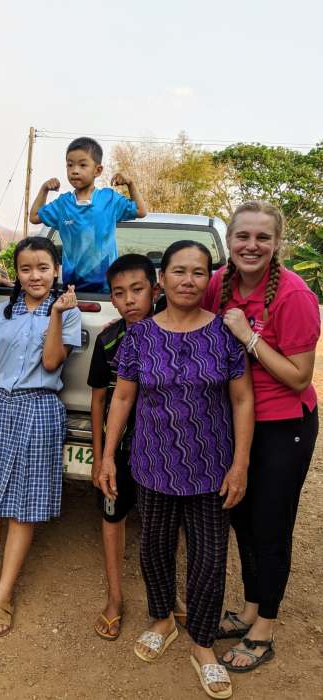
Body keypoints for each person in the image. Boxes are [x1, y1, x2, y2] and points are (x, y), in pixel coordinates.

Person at [99, 241, 254, 699]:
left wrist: (240, 464)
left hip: (212, 465)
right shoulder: (140, 336)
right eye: (179, 271)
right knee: (155, 549)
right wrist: (107, 456)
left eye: (198, 272)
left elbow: (242, 400)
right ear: (162, 279)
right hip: (152, 462)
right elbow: (122, 397)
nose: (188, 280)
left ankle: (203, 645)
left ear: (209, 279)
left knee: (209, 556)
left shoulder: (225, 333)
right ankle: (162, 619)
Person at [202, 201, 320, 673]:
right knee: (243, 520)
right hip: (235, 418)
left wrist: (249, 338)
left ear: (276, 243)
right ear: (229, 240)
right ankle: (250, 609)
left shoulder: (294, 296)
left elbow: (298, 377)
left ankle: (264, 627)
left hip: (283, 424)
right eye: (243, 236)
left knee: (271, 526)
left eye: (262, 238)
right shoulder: (218, 283)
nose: (252, 246)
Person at [0, 236, 81, 638]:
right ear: (17, 272)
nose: (34, 276)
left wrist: (57, 314)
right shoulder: (1, 310)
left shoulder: (68, 312)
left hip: (39, 408)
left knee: (23, 509)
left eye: (43, 268)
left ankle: (4, 596)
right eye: (26, 269)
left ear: (56, 270)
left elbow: (51, 361)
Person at [88, 254, 160, 640]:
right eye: (119, 293)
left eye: (137, 290)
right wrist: (101, 458)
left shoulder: (175, 332)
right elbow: (99, 400)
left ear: (155, 290)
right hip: (120, 449)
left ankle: (165, 599)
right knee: (112, 517)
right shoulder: (108, 339)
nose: (129, 299)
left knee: (162, 525)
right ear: (111, 299)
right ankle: (114, 597)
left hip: (163, 450)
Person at [29, 136, 147, 292]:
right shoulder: (63, 204)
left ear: (98, 170)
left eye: (82, 165)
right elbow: (34, 217)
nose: (75, 170)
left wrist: (130, 183)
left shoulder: (109, 199)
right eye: (70, 165)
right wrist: (44, 189)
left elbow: (140, 211)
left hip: (107, 288)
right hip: (73, 289)